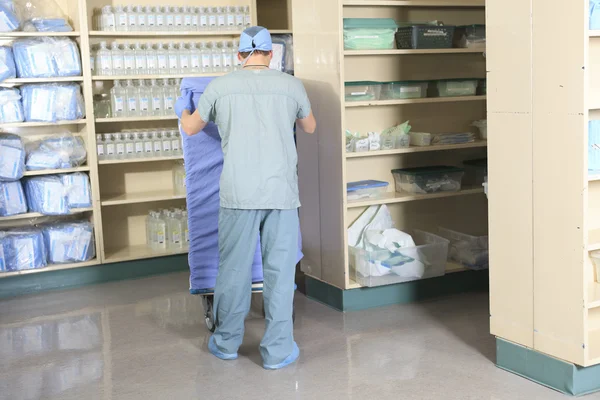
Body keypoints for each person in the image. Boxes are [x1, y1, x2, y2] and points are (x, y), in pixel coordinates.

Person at [175, 26, 316, 370]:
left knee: (234, 270)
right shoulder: (292, 85)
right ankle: (278, 351)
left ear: (238, 56)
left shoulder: (219, 87)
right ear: (271, 55)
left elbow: (191, 128)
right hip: (281, 193)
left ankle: (225, 344)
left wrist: (182, 107)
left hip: (238, 194)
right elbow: (310, 127)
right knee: (280, 273)